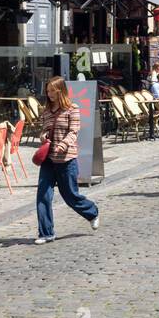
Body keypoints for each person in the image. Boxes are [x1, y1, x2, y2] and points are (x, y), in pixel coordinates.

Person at [34, 76, 100, 243]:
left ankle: (92, 212)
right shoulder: (47, 111)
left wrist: (63, 144)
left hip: (66, 159)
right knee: (43, 195)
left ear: (60, 90)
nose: (48, 94)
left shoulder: (72, 108)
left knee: (70, 195)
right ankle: (46, 233)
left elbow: (74, 131)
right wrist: (43, 136)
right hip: (49, 160)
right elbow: (43, 131)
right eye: (47, 91)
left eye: (51, 91)